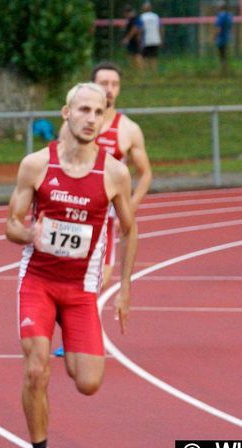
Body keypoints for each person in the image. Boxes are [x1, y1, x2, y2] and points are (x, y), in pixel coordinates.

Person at [5, 83, 138, 448]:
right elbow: (10, 223)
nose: (91, 119)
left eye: (99, 112)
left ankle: (68, 346)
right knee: (34, 369)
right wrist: (28, 235)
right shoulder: (36, 165)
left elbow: (130, 230)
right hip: (39, 282)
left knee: (89, 382)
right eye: (83, 110)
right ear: (66, 112)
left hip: (81, 290)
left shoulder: (114, 172)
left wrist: (126, 288)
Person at [91, 61, 152, 290]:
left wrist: (128, 209)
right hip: (76, 208)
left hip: (106, 213)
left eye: (115, 84)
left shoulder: (128, 129)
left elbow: (145, 174)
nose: (109, 89)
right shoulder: (76, 125)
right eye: (103, 83)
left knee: (101, 279)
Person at [139, 2, 162, 72]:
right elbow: (160, 28)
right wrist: (161, 39)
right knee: (154, 57)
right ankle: (153, 71)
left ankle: (144, 71)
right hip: (155, 39)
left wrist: (139, 39)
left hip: (146, 40)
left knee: (143, 57)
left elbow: (140, 29)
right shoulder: (156, 16)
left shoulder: (142, 17)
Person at [121, 5, 143, 70]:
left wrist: (127, 38)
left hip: (134, 40)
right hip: (133, 40)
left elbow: (135, 29)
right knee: (132, 55)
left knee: (137, 55)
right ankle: (134, 70)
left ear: (127, 12)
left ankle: (140, 70)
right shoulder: (133, 19)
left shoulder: (133, 18)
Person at [214, 1, 233, 75]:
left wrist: (215, 36)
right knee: (225, 55)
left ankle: (222, 70)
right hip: (228, 38)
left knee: (221, 56)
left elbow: (218, 28)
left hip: (221, 39)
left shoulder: (220, 16)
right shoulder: (229, 15)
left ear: (220, 7)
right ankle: (226, 70)